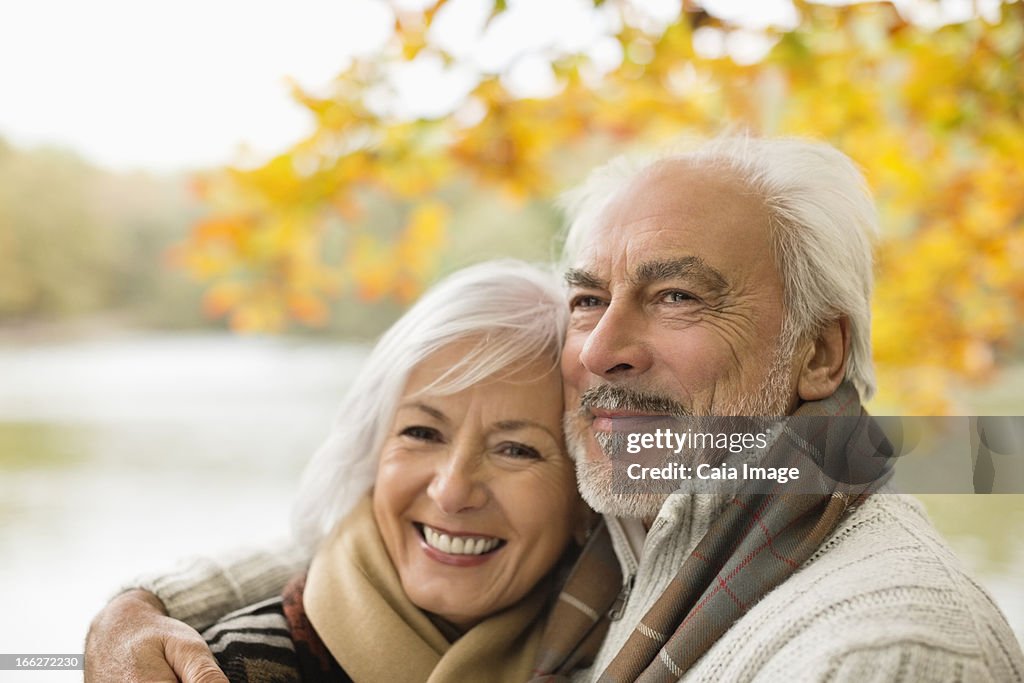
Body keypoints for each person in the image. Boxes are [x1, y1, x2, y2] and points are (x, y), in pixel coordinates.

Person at [86, 136, 1024, 682]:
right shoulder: (660, 513)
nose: (601, 347)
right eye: (587, 297)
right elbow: (416, 521)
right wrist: (145, 604)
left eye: (678, 297)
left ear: (819, 352)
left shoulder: (882, 651)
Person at [88, 260, 592, 682]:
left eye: (517, 450)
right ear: (372, 454)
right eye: (421, 433)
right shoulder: (232, 667)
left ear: (584, 493)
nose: (452, 490)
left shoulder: (617, 649)